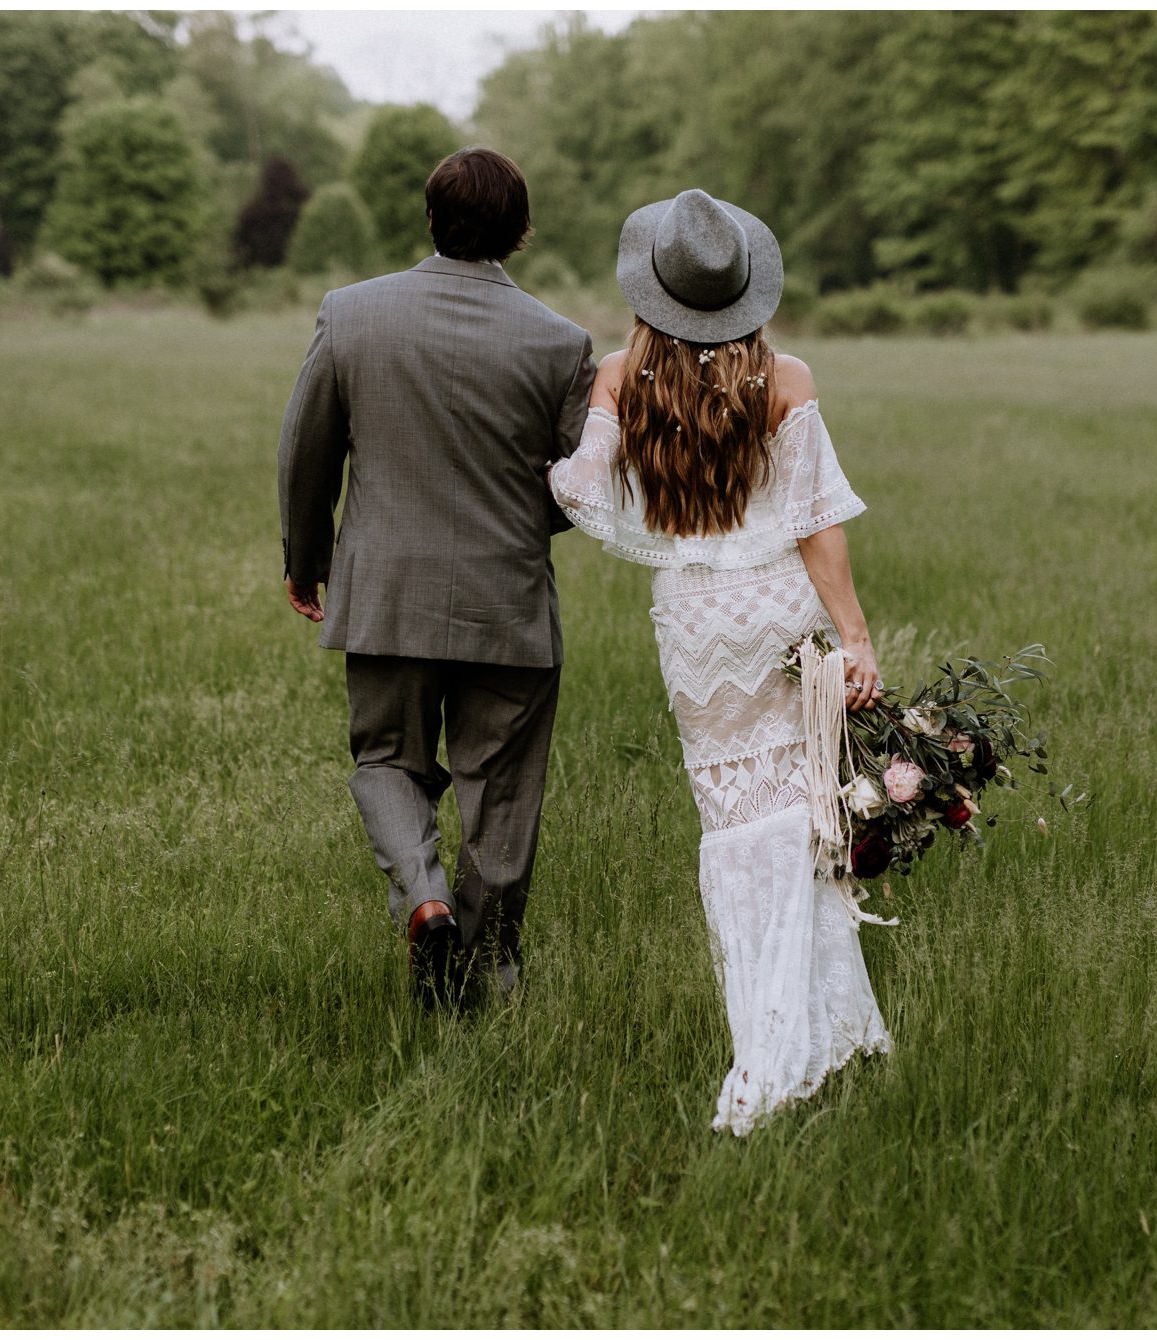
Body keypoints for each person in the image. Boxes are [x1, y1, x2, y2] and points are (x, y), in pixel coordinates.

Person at [547, 189, 892, 1134]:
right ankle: (823, 1035)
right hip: (778, 615)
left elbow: (580, 485)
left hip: (695, 624)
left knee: (733, 829)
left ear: (653, 289)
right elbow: (817, 518)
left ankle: (769, 1040)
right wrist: (854, 636)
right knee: (802, 822)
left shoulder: (622, 376)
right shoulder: (787, 378)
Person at [277, 148, 596, 1007]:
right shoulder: (563, 343)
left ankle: (423, 898)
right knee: (504, 797)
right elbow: (578, 486)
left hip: (385, 592)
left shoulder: (352, 314)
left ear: (429, 219)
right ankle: (486, 972)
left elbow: (306, 455)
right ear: (520, 234)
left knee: (386, 759)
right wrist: (525, 521)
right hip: (511, 605)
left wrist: (306, 560)